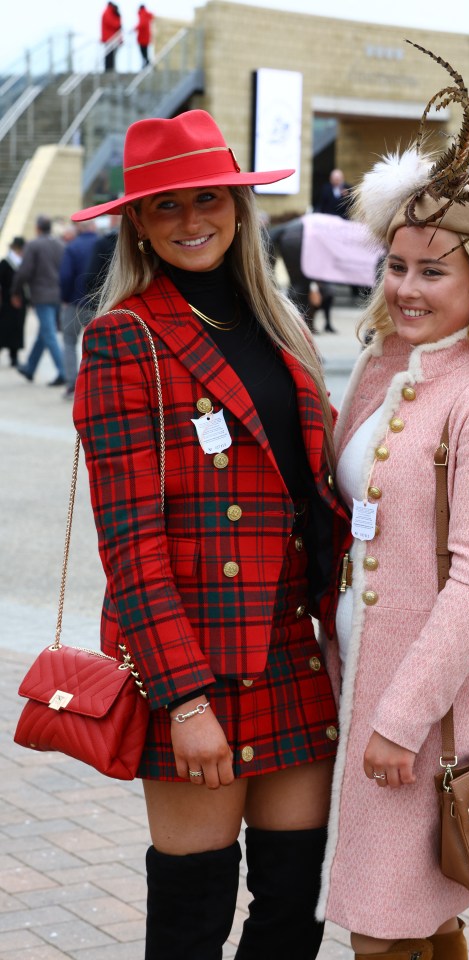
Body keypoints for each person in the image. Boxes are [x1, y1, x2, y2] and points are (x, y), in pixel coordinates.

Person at [69, 109, 351, 960]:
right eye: (166, 208)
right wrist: (182, 699)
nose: (194, 222)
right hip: (194, 666)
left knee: (293, 909)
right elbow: (129, 544)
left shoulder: (283, 327)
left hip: (290, 654)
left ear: (238, 204)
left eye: (209, 200)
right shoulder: (125, 340)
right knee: (193, 919)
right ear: (138, 227)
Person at [316, 42, 469, 960]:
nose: (406, 288)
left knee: (382, 930)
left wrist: (398, 720)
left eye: (432, 272)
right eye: (397, 266)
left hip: (432, 711)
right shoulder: (381, 368)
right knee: (423, 923)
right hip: (365, 678)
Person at [12, 214, 66, 386]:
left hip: (41, 295)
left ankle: (63, 371)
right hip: (57, 295)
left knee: (48, 334)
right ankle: (30, 368)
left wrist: (16, 291)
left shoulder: (34, 245)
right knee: (44, 333)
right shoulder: (60, 244)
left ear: (37, 228)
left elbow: (24, 271)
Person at [59, 221, 98, 398]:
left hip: (74, 303)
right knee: (98, 345)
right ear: (93, 227)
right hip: (98, 305)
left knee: (69, 342)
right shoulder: (103, 244)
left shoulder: (72, 247)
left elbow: (65, 276)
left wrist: (65, 298)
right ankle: (95, 385)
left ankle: (71, 385)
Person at [0, 237, 27, 367]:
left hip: (20, 301)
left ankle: (14, 356)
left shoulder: (23, 263)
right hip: (6, 301)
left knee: (17, 329)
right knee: (3, 328)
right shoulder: (5, 263)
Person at [101, 1, 122, 72]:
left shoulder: (110, 12)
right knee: (109, 55)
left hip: (112, 38)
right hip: (109, 38)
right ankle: (108, 69)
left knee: (111, 55)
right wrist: (119, 21)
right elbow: (114, 24)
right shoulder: (108, 13)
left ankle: (110, 69)